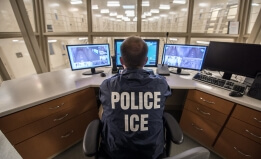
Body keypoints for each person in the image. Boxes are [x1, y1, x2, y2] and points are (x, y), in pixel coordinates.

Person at [99, 36, 172, 159]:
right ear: (146, 61)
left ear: (121, 61)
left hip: (116, 153)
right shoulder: (161, 84)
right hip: (152, 153)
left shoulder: (107, 85)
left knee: (103, 107)